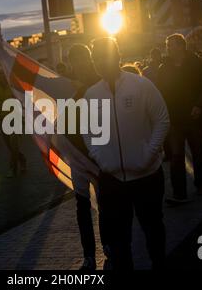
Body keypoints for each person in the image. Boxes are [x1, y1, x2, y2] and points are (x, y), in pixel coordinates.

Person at [83, 37, 170, 270]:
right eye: (96, 58)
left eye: (105, 56)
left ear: (117, 56)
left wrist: (149, 153)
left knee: (153, 230)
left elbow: (162, 119)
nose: (100, 62)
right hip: (113, 181)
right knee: (120, 242)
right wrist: (101, 159)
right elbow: (88, 132)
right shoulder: (91, 94)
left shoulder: (141, 85)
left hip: (147, 176)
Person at [157, 33, 202, 205]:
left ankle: (201, 185)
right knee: (177, 156)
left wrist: (199, 105)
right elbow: (160, 92)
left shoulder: (196, 63)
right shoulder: (164, 67)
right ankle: (180, 193)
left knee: (198, 152)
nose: (168, 48)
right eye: (167, 45)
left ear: (181, 46)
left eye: (171, 45)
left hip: (193, 116)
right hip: (175, 118)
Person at [65, 44, 102, 270]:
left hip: (98, 154)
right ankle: (89, 253)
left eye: (79, 60)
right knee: (82, 205)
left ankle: (107, 245)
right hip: (78, 155)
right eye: (73, 61)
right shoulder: (68, 85)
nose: (76, 65)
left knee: (104, 202)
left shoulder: (97, 83)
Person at [0, 73, 26, 177]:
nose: (1, 78)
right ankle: (22, 159)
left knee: (14, 143)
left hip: (15, 118)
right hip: (3, 119)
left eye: (3, 76)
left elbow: (20, 100)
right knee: (9, 146)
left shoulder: (13, 86)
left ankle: (12, 168)